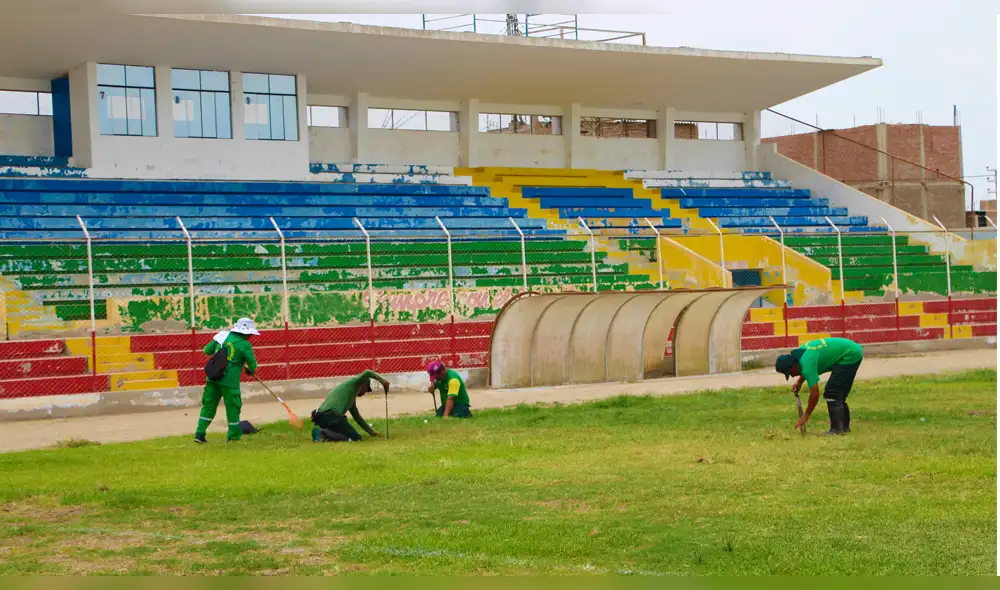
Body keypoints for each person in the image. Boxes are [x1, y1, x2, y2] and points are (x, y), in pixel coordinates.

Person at [775, 336, 864, 435]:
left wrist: (806, 415)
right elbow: (806, 367)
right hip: (851, 350)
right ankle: (844, 429)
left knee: (832, 393)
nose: (791, 375)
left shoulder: (807, 363)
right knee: (838, 393)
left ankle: (837, 430)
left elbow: (815, 394)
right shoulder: (800, 354)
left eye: (789, 372)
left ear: (792, 366)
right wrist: (800, 381)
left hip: (850, 355)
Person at [194, 317, 259, 443]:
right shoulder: (245, 344)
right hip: (230, 382)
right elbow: (253, 366)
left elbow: (207, 350)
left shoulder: (222, 335)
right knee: (233, 407)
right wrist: (249, 369)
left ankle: (199, 434)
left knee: (208, 406)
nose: (251, 336)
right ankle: (233, 437)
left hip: (213, 378)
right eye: (251, 333)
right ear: (246, 333)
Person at [311, 370, 389, 442]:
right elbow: (367, 372)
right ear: (363, 384)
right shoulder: (353, 383)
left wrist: (372, 433)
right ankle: (322, 432)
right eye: (367, 389)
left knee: (341, 433)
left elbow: (358, 418)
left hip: (321, 416)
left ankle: (319, 432)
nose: (365, 393)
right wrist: (383, 381)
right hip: (332, 416)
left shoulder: (350, 397)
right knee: (356, 438)